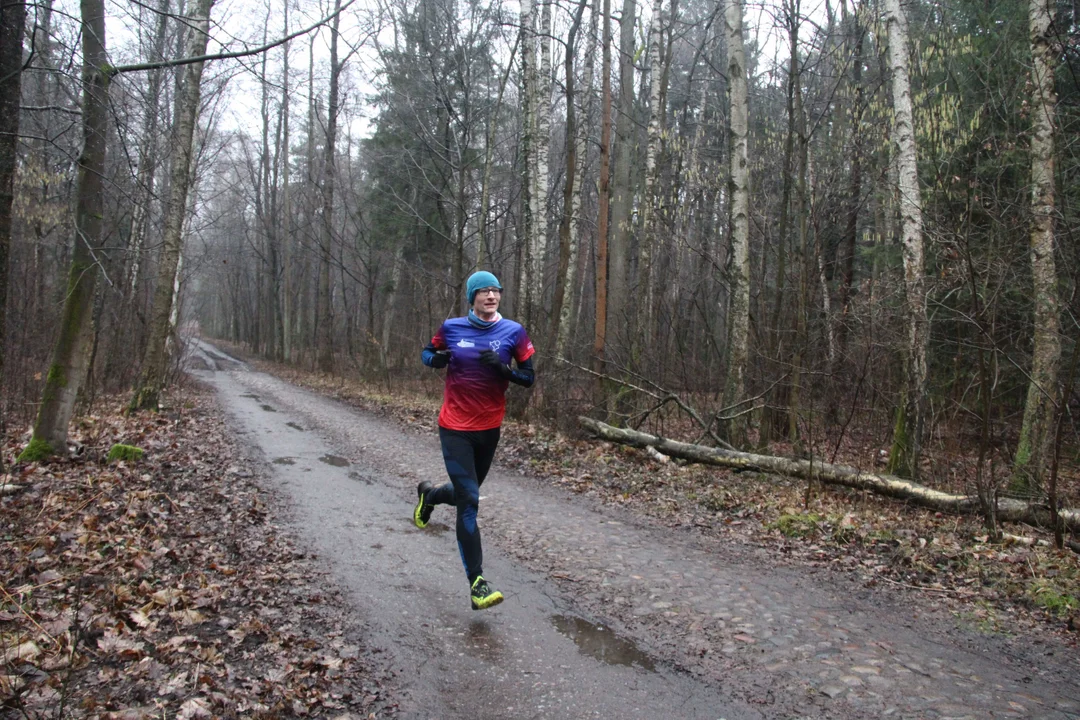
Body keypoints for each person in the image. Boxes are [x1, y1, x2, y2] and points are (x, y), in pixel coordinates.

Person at [414, 270, 536, 610]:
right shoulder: (452, 328)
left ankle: (430, 495)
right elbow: (427, 352)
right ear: (472, 298)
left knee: (464, 492)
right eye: (483, 292)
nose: (491, 296)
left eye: (495, 291)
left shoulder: (514, 332)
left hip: (489, 428)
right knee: (470, 499)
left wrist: (503, 370)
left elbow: (529, 378)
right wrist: (435, 360)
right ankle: (478, 583)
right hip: (454, 426)